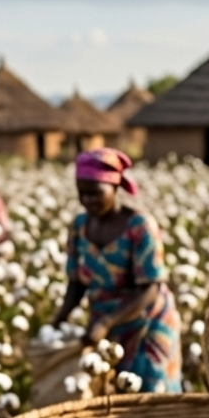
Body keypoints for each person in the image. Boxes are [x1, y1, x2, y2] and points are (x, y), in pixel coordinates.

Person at [49, 148, 182, 392]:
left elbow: (150, 286)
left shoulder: (139, 226)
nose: (88, 201)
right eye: (83, 194)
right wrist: (57, 320)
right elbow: (76, 282)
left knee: (153, 396)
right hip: (106, 324)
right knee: (112, 394)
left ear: (114, 187)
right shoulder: (80, 227)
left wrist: (106, 323)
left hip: (148, 322)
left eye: (95, 193)